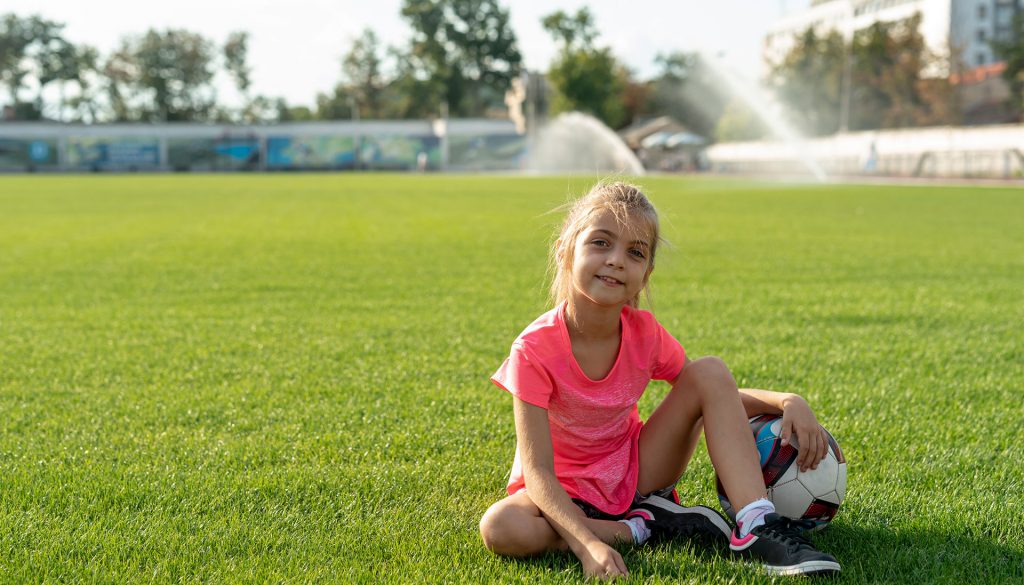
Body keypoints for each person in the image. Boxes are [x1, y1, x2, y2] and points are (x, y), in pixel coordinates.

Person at [478, 181, 840, 579]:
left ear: (646, 273)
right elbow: (539, 474)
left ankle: (756, 525)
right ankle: (642, 527)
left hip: (635, 472)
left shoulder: (644, 334)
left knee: (710, 368)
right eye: (601, 243)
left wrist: (786, 401)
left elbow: (711, 392)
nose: (616, 260)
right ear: (565, 249)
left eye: (634, 252)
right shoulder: (533, 350)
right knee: (501, 527)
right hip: (558, 490)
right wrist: (589, 545)